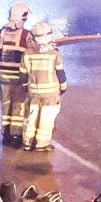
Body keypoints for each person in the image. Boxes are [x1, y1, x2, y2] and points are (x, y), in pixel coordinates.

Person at [20, 19, 68, 152]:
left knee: (32, 116)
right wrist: (63, 87)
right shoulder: (54, 54)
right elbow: (60, 73)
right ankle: (42, 143)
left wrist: (25, 86)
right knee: (47, 118)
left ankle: (27, 142)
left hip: (33, 92)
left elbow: (23, 74)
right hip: (51, 93)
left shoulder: (27, 54)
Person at [0, 3, 35, 144]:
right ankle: (15, 135)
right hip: (18, 78)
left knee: (5, 104)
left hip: (4, 77)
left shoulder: (1, 33)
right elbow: (31, 56)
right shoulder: (27, 35)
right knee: (18, 106)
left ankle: (5, 134)